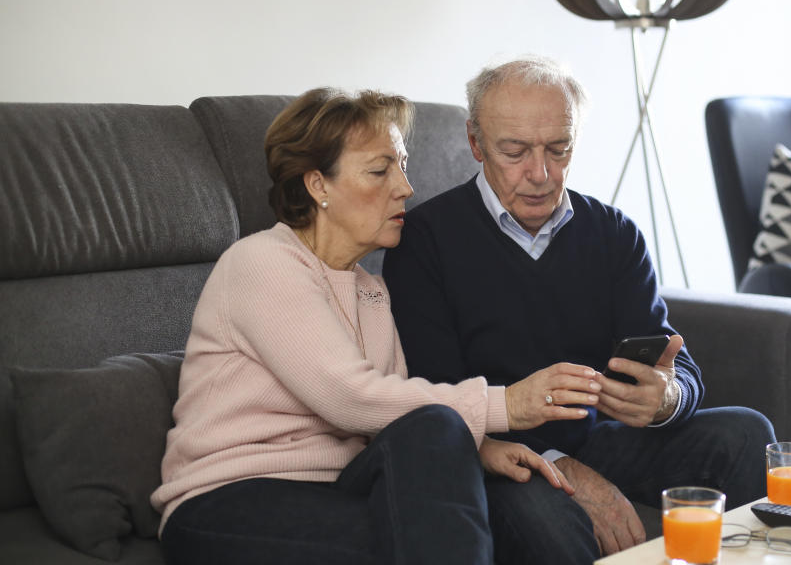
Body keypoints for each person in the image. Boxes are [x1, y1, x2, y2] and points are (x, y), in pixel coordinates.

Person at [150, 87, 606, 565]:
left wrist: (481, 446)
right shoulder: (263, 262)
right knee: (436, 527)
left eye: (403, 165)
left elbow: (400, 414)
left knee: (447, 487)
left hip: (341, 491)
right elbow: (352, 399)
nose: (405, 187)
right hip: (230, 501)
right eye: (379, 170)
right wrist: (507, 404)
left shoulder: (371, 290)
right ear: (317, 185)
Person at [382, 57, 777, 563]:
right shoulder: (424, 241)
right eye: (515, 152)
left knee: (747, 433)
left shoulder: (614, 234)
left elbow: (673, 363)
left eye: (558, 149)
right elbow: (439, 402)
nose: (540, 174)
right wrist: (564, 467)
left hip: (598, 438)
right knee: (551, 522)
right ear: (476, 144)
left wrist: (666, 397)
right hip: (500, 458)